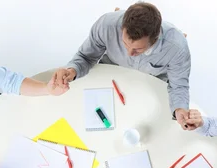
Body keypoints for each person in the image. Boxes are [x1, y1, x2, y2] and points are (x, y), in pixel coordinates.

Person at [51, 2, 193, 129]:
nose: (129, 53)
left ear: (155, 39)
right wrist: (72, 70)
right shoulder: (106, 25)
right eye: (125, 44)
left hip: (149, 84)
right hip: (110, 75)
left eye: (138, 49)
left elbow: (178, 85)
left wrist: (180, 109)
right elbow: (86, 57)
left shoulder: (177, 47)